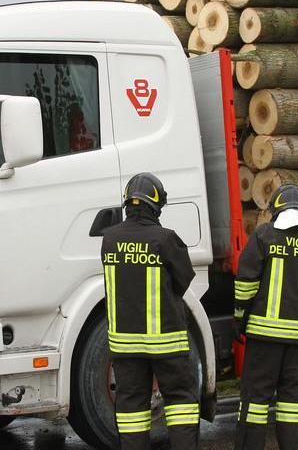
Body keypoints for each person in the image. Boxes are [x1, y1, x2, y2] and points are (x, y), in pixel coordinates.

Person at [101, 172, 200, 449]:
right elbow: (183, 280)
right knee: (180, 401)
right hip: (167, 341)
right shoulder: (166, 239)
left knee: (132, 410)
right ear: (156, 204)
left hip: (125, 346)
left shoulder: (109, 240)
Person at [233, 184, 298, 450]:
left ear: (276, 210)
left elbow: (245, 283)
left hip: (264, 335)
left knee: (255, 400)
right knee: (292, 401)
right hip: (297, 338)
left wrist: (240, 319)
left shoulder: (264, 235)